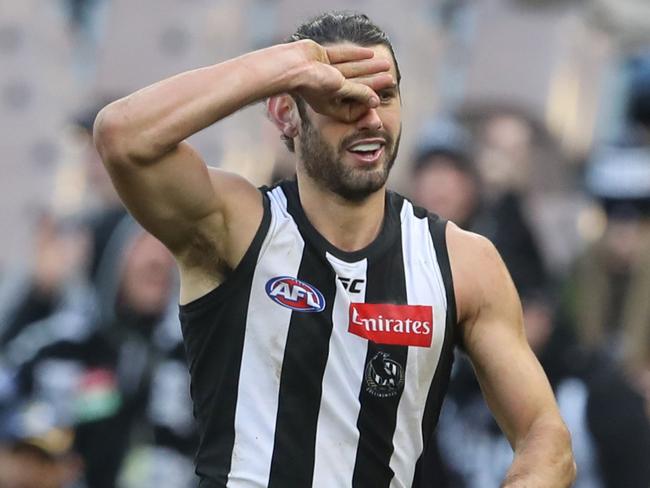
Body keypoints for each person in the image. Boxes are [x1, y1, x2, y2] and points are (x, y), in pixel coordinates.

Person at [92, 11, 575, 488]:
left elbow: (545, 437)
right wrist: (288, 66)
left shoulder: (462, 260)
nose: (369, 118)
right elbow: (122, 136)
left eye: (384, 96)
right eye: (343, 98)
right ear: (286, 112)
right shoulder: (234, 226)